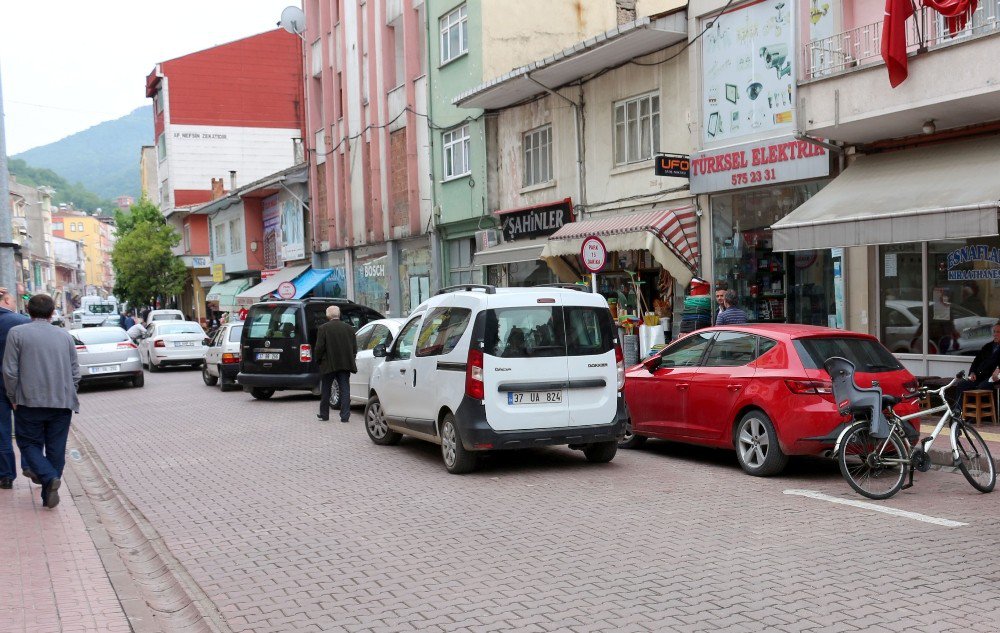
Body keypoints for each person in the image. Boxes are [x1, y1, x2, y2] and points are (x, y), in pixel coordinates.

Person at [3, 294, 81, 508]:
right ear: (52, 311)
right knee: (56, 447)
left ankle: (48, 477)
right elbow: (75, 370)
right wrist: (70, 391)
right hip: (62, 401)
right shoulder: (64, 335)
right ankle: (49, 491)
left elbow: (9, 371)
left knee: (28, 444)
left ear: (28, 310)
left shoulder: (17, 333)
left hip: (29, 401)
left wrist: (13, 397)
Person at [0, 287, 31, 489]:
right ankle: (31, 465)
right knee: (28, 427)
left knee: (1, 431)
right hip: (20, 382)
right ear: (7, 301)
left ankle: (5, 476)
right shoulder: (21, 322)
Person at [314, 305, 357, 423]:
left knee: (326, 389)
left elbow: (319, 348)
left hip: (328, 364)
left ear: (328, 315)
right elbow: (354, 348)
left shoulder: (323, 328)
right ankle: (345, 415)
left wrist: (318, 360)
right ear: (338, 314)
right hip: (345, 364)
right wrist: (352, 358)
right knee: (345, 389)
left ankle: (324, 414)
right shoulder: (349, 328)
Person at [951, 323, 1000, 413]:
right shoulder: (988, 346)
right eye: (994, 332)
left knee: (982, 387)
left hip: (992, 379)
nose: (995, 334)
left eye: (998, 332)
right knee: (962, 384)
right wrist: (972, 372)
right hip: (979, 376)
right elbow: (976, 361)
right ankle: (957, 411)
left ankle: (975, 414)